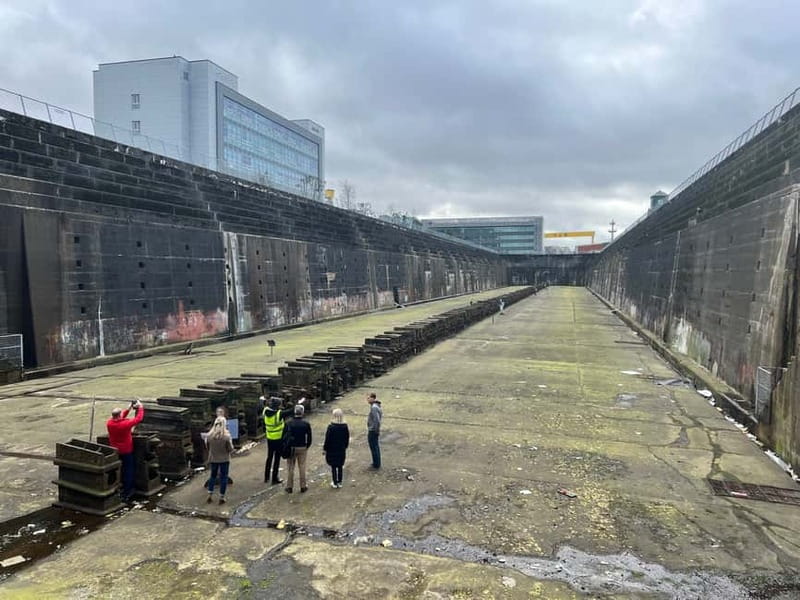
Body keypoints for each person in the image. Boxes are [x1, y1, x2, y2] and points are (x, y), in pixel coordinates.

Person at [106, 399, 145, 502]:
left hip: (115, 450)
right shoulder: (125, 424)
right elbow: (138, 419)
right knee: (128, 470)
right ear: (119, 415)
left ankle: (120, 487)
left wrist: (129, 408)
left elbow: (120, 417)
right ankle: (128, 491)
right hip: (127, 450)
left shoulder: (109, 423)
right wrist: (140, 407)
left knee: (120, 469)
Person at [262, 396, 302, 485]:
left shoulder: (265, 411)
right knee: (276, 458)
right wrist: (297, 404)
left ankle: (266, 477)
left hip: (269, 438)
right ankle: (274, 478)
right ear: (277, 406)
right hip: (278, 438)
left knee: (269, 457)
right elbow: (290, 411)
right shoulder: (279, 414)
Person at [205, 416, 234, 505]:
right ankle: (221, 497)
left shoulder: (209, 436)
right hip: (224, 459)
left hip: (213, 458)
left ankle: (210, 494)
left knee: (212, 476)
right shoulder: (226, 436)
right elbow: (230, 449)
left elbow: (207, 447)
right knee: (224, 477)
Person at [284, 404, 312, 493]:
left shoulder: (288, 423)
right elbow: (309, 437)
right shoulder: (306, 424)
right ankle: (303, 486)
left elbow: (284, 436)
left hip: (291, 447)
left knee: (290, 467)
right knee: (302, 466)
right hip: (302, 447)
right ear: (302, 412)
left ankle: (289, 487)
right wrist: (307, 445)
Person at [323, 408, 350, 488]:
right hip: (341, 448)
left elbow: (327, 439)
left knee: (333, 466)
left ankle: (334, 482)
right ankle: (340, 482)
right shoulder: (345, 426)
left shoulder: (331, 427)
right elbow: (347, 437)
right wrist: (345, 446)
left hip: (332, 449)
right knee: (340, 465)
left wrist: (325, 448)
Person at [366, 393, 382, 469]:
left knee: (373, 447)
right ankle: (377, 462)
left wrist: (376, 429)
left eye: (368, 398)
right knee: (375, 446)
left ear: (373, 398)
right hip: (374, 429)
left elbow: (377, 420)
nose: (367, 400)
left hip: (373, 430)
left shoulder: (374, 408)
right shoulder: (375, 406)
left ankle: (376, 463)